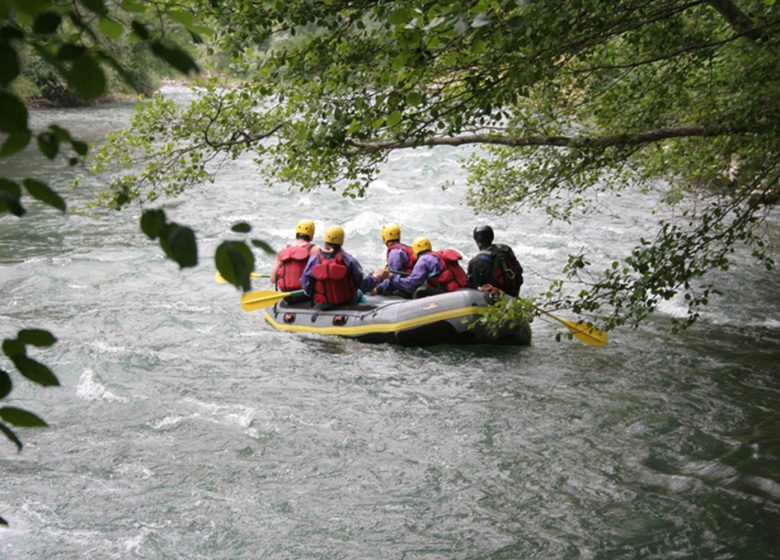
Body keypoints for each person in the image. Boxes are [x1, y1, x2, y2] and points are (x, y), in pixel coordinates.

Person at [301, 225, 385, 307]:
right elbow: (365, 285)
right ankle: (367, 316)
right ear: (341, 241)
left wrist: (315, 296)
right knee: (359, 292)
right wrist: (376, 277)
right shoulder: (348, 260)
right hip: (346, 302)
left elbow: (305, 282)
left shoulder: (314, 259)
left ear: (325, 240)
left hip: (323, 304)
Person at [380, 237, 467, 298]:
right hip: (461, 289)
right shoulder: (437, 256)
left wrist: (391, 277)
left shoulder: (423, 260)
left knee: (420, 290)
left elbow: (410, 285)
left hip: (450, 293)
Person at [270, 219, 321, 303]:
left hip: (287, 296)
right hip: (305, 295)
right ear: (312, 233)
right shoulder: (315, 249)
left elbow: (273, 279)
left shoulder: (284, 251)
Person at [467, 225, 524, 296]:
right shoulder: (506, 249)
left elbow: (471, 289)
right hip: (513, 294)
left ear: (476, 239)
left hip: (495, 299)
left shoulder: (475, 262)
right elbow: (518, 270)